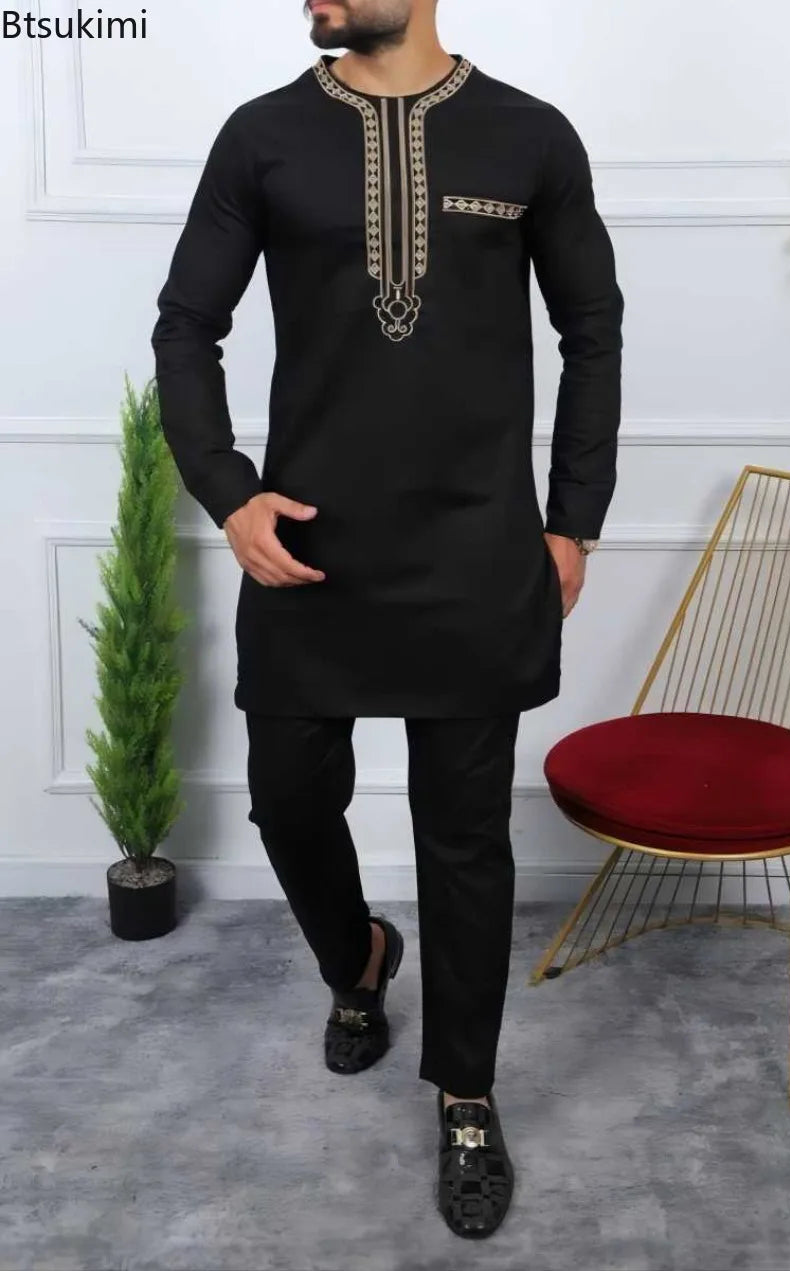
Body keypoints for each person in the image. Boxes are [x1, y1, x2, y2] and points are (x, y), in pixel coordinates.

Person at [151, 0, 623, 1240]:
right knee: (288, 797)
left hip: (475, 554)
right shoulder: (261, 136)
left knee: (463, 837)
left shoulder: (530, 136)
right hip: (307, 545)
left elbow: (594, 329)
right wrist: (228, 491)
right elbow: (185, 326)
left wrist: (574, 519)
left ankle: (466, 1092)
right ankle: (358, 957)